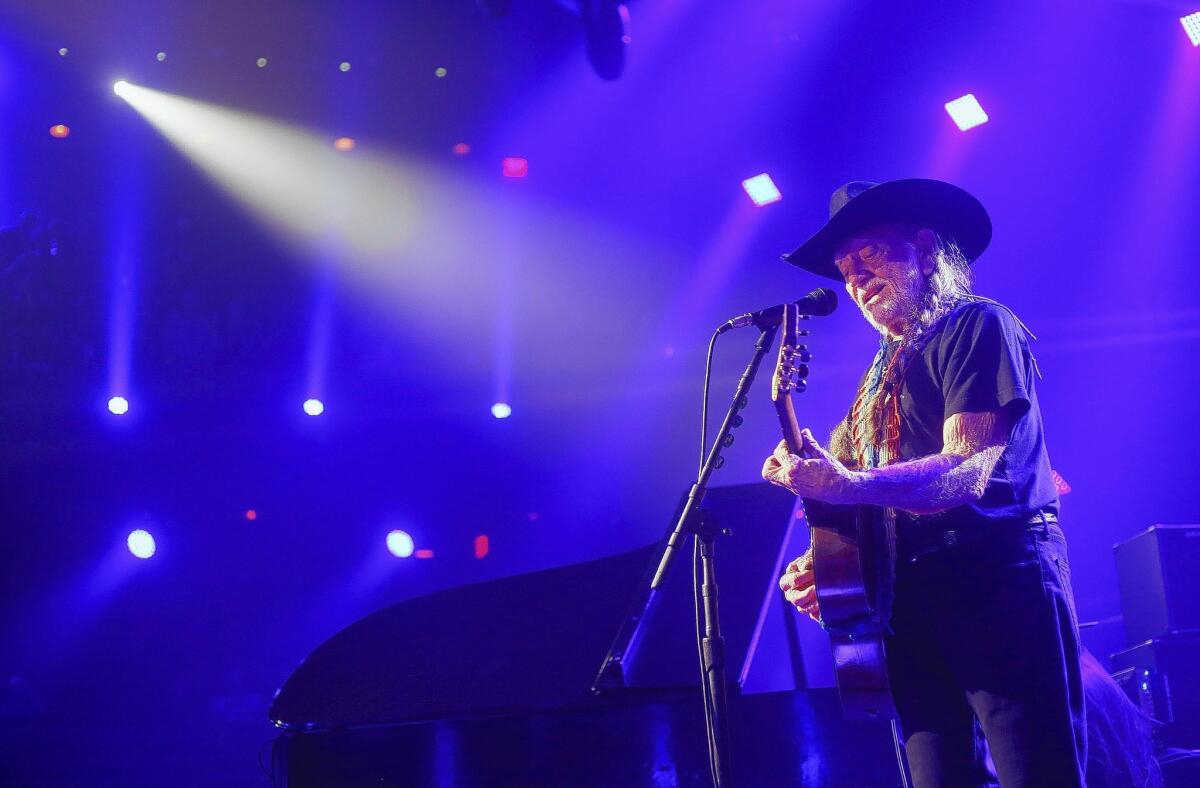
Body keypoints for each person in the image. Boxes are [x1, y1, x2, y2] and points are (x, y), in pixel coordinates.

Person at [761, 179, 1086, 787]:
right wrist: (824, 566)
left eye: (869, 255)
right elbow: (855, 498)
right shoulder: (872, 386)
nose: (855, 279)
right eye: (845, 269)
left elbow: (965, 468)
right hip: (908, 607)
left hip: (998, 588)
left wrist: (845, 482)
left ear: (925, 248)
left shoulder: (978, 326)